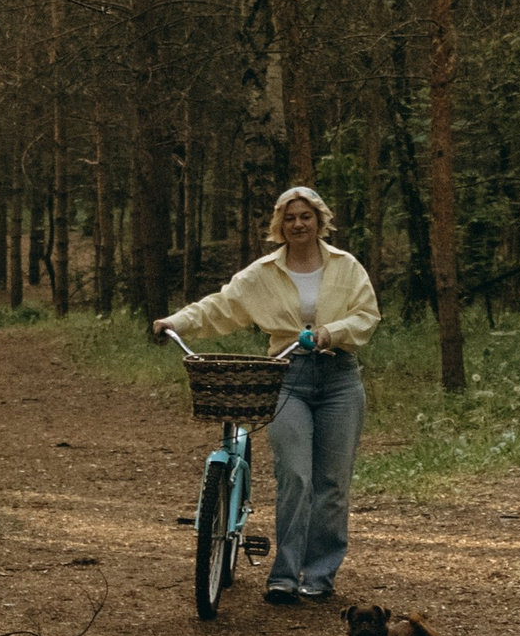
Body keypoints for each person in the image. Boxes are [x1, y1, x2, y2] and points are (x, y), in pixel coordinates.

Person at [153, 187, 380, 604]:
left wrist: (331, 332)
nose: (298, 224)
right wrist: (175, 322)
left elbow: (366, 316)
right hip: (288, 377)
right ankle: (285, 575)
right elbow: (220, 307)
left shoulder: (347, 267)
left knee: (332, 483)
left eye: (306, 216)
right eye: (290, 217)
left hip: (340, 379)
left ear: (319, 221)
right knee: (295, 474)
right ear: (280, 224)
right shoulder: (262, 273)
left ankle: (320, 573)